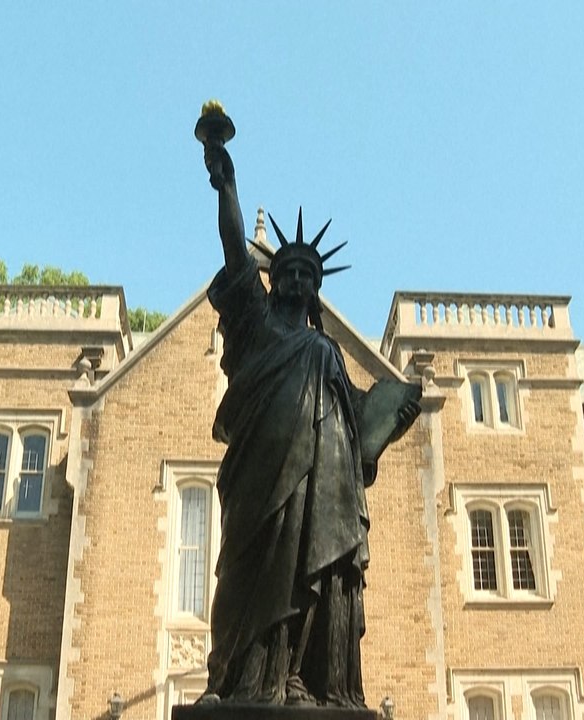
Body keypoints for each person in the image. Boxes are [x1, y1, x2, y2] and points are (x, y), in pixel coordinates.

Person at [200, 138, 420, 707]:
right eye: (288, 270)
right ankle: (231, 680)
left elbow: (358, 422)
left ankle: (299, 678)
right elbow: (233, 249)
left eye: (307, 274)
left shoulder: (325, 352)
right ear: (276, 279)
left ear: (316, 288)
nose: (296, 279)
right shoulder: (254, 321)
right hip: (257, 479)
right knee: (244, 577)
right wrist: (226, 185)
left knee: (307, 582)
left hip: (317, 495)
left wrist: (393, 411)